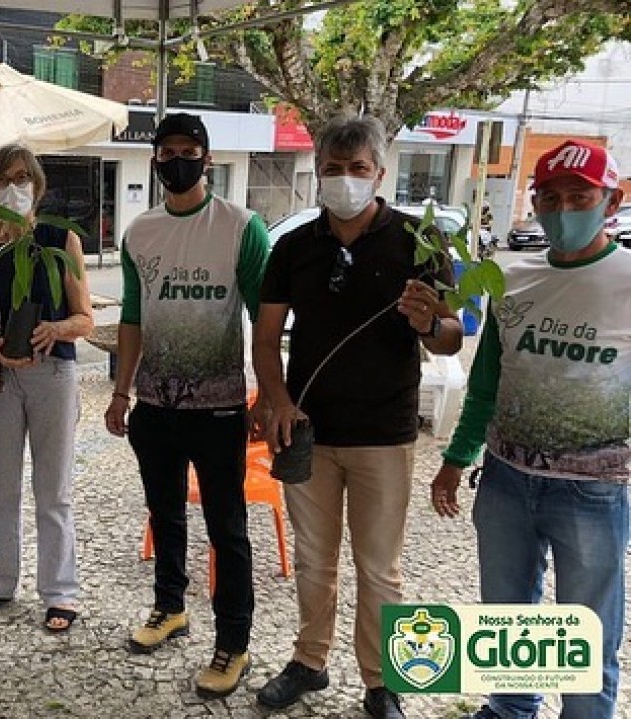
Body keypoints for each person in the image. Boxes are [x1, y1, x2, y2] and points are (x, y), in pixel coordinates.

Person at [252, 115, 463, 719]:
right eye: (333, 170)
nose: (345, 180)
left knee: (380, 567)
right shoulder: (293, 248)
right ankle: (309, 661)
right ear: (317, 174)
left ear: (380, 174)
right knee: (315, 560)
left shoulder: (419, 244)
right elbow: (267, 340)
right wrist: (279, 402)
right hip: (310, 432)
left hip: (384, 433)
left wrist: (428, 322)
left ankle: (382, 681)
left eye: (358, 170)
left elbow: (450, 336)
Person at [432, 139, 629, 719]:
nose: (565, 209)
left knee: (588, 628)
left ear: (610, 200)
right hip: (505, 481)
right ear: (535, 202)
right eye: (552, 197)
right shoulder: (512, 278)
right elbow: (487, 381)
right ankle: (511, 707)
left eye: (581, 196)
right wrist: (455, 458)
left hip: (593, 489)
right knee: (509, 611)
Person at [103, 113, 270, 699]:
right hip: (154, 406)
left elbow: (265, 321)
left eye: (189, 149)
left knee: (228, 529)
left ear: (206, 155)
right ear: (154, 159)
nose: (178, 159)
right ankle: (169, 608)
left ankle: (234, 643)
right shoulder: (140, 233)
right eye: (167, 150)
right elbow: (131, 318)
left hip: (221, 410)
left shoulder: (242, 228)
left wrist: (268, 395)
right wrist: (120, 393)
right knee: (165, 514)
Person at [0, 144, 93, 633]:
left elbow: (85, 318)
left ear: (37, 185)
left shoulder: (57, 238)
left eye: (22, 178)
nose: (12, 187)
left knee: (53, 489)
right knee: (1, 485)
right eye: (1, 179)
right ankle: (0, 579)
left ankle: (60, 590)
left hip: (52, 373)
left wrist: (55, 330)